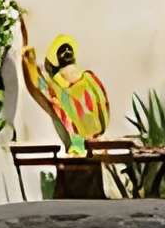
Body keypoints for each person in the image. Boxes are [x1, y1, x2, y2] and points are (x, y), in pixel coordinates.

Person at [18, 11, 111, 154]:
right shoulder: (91, 80)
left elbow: (37, 85)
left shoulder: (60, 92)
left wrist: (28, 58)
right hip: (101, 150)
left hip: (79, 153)